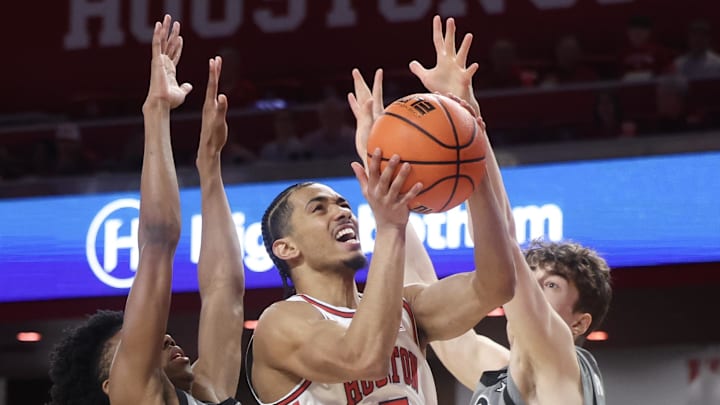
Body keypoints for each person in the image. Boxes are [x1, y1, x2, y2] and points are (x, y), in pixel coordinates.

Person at [246, 67, 517, 403]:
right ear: (286, 248)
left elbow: (497, 284)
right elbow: (363, 359)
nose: (342, 211)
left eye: (343, 204)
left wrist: (471, 168)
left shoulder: (408, 308)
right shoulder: (280, 323)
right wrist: (390, 227)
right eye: (319, 208)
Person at [409, 15, 612, 404]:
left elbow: (501, 240)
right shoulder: (502, 372)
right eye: (533, 278)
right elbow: (440, 324)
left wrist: (466, 119)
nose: (530, 289)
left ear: (579, 323)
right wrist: (392, 208)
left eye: (549, 285)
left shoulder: (560, 360)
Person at [48, 15, 245, 405]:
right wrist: (156, 111)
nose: (163, 335)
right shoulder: (136, 396)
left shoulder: (211, 391)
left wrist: (210, 165)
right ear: (113, 385)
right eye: (140, 341)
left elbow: (225, 291)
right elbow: (156, 245)